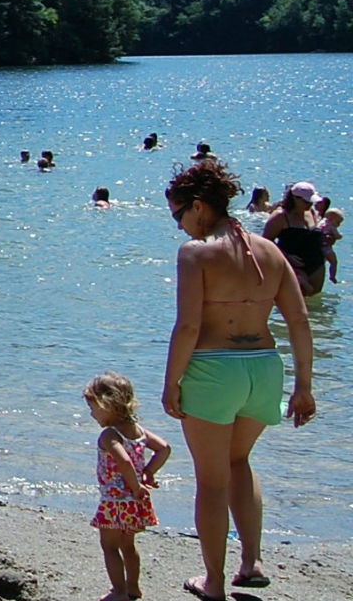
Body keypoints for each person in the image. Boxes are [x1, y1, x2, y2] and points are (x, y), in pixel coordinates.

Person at [162, 159, 315, 599]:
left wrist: (172, 383)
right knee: (239, 461)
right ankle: (251, 562)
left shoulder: (196, 253)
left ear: (197, 205)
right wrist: (304, 385)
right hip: (265, 367)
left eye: (178, 215)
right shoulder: (271, 251)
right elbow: (300, 321)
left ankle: (212, 582)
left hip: (214, 369)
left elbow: (188, 326)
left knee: (211, 479)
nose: (178, 227)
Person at [84, 371, 171, 601]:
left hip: (116, 500)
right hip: (134, 502)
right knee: (128, 546)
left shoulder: (109, 435)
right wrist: (148, 472)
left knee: (109, 546)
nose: (92, 415)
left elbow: (123, 460)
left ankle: (119, 591)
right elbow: (164, 448)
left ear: (108, 405)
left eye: (93, 408)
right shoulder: (138, 431)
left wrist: (134, 485)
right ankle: (133, 588)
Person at [262, 181, 327, 296]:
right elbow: (265, 243)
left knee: (315, 299)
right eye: (306, 201)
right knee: (296, 299)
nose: (309, 204)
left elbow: (314, 236)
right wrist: (286, 256)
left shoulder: (311, 212)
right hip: (293, 265)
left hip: (316, 262)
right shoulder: (280, 216)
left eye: (311, 202)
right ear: (295, 198)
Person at [318, 198, 342, 284]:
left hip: (318, 247)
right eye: (338, 222)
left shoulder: (321, 223)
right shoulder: (331, 226)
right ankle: (332, 276)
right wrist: (340, 236)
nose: (338, 225)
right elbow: (337, 236)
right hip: (326, 247)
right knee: (334, 262)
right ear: (331, 218)